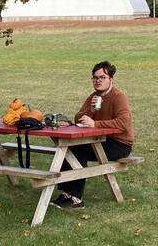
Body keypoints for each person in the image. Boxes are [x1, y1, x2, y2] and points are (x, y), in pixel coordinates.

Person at [52, 61, 133, 210]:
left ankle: (76, 198)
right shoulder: (93, 97)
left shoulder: (118, 97)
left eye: (102, 77)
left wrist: (96, 124)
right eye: (95, 78)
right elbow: (78, 118)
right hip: (98, 140)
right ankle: (66, 193)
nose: (98, 81)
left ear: (111, 79)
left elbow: (122, 123)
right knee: (69, 148)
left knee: (78, 149)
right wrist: (90, 110)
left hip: (119, 143)